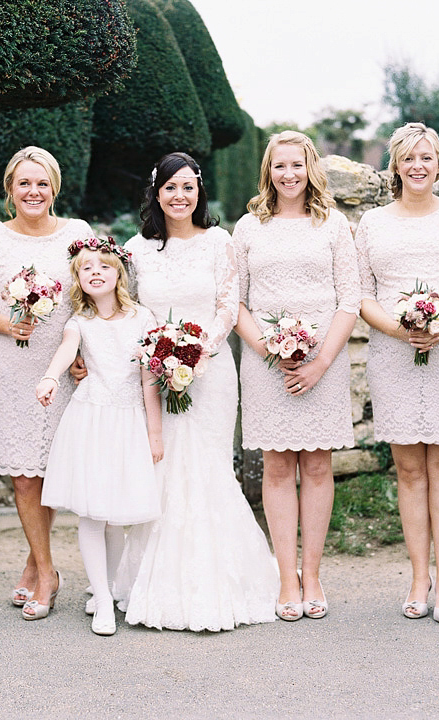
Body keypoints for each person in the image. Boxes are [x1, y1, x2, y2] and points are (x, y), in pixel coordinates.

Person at [112, 152, 279, 632]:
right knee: (164, 469)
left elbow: (229, 303)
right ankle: (152, 580)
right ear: (156, 193)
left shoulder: (219, 242)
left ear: (199, 191)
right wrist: (160, 355)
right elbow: (129, 311)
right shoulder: (137, 249)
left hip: (211, 370)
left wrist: (195, 351)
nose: (179, 196)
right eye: (170, 187)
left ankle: (223, 581)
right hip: (154, 372)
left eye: (188, 187)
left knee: (207, 468)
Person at [354, 122, 439, 625]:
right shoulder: (372, 224)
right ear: (395, 165)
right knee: (409, 470)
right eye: (408, 157)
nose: (418, 165)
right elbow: (362, 293)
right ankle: (418, 577)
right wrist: (398, 329)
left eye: (427, 157)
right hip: (395, 352)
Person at [233, 131, 359, 621]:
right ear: (269, 171)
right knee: (279, 467)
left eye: (297, 165)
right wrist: (268, 349)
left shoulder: (332, 225)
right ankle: (286, 576)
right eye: (279, 166)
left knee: (318, 467)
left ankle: (314, 572)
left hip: (323, 362)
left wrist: (320, 361)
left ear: (311, 170)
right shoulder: (249, 227)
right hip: (267, 364)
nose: (289, 175)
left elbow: (349, 299)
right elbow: (236, 301)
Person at [0, 146, 94, 618]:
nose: (33, 191)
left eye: (42, 183)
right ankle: (46, 573)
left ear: (55, 187)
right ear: (10, 189)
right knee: (24, 476)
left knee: (50, 471)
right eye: (24, 183)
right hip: (10, 367)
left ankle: (32, 565)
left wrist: (83, 354)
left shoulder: (78, 235)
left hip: (58, 368)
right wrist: (6, 324)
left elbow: (91, 298)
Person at [35, 238, 163, 634]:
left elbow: (148, 378)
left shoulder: (143, 318)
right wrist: (51, 377)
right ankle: (104, 602)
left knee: (115, 516)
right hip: (90, 420)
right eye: (86, 267)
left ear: (119, 274)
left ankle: (108, 586)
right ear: (77, 278)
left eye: (104, 266)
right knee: (92, 512)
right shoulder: (79, 323)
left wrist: (154, 432)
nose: (95, 272)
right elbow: (64, 351)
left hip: (128, 422)